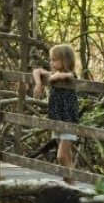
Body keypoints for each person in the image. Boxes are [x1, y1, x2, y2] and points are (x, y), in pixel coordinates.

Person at [33, 44, 79, 184]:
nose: (51, 63)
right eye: (50, 60)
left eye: (54, 60)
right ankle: (69, 182)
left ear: (65, 60)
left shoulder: (70, 75)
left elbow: (69, 75)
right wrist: (38, 84)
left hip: (68, 121)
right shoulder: (52, 75)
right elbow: (36, 71)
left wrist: (57, 76)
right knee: (67, 156)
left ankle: (71, 184)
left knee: (61, 156)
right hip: (56, 120)